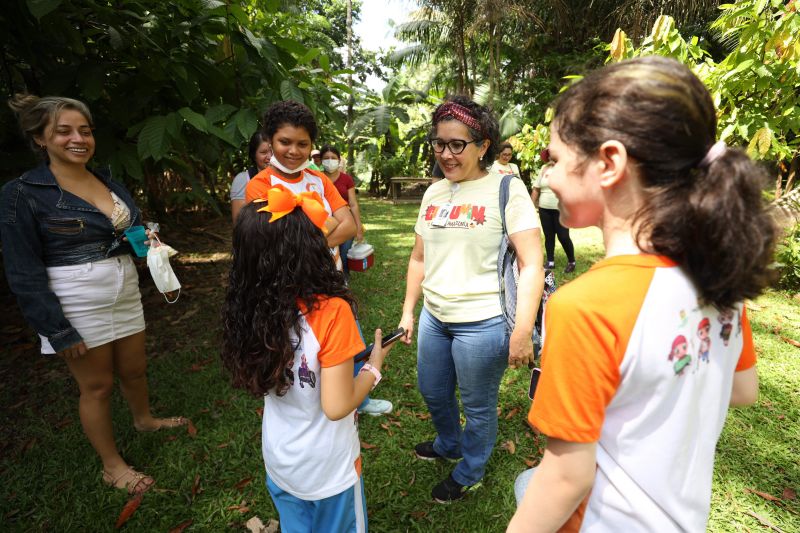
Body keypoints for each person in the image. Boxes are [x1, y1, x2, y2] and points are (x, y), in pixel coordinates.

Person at [507, 56, 774, 532]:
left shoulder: (585, 305)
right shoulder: (716, 281)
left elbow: (565, 477)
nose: (547, 177)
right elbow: (742, 389)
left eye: (554, 160)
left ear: (609, 162)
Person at [0, 95, 186, 496]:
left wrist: (147, 243)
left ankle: (144, 419)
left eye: (84, 130)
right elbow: (23, 269)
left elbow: (125, 233)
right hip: (75, 297)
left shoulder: (108, 181)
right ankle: (112, 465)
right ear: (39, 139)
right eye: (63, 131)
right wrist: (56, 329)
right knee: (97, 385)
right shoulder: (22, 192)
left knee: (135, 368)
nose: (78, 139)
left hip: (123, 286)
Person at [398, 96, 544, 502]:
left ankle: (470, 469)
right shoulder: (434, 194)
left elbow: (532, 264)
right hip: (434, 317)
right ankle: (448, 443)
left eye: (457, 144)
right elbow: (418, 257)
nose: (446, 153)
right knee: (432, 390)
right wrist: (409, 311)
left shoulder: (506, 189)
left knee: (478, 407)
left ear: (483, 146)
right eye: (439, 143)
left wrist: (522, 329)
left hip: (483, 322)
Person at [221, 192, 394, 533]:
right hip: (329, 470)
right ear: (307, 250)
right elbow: (336, 405)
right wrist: (373, 367)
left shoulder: (250, 307)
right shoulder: (332, 311)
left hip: (281, 461)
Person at [319, 144, 393, 417]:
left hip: (331, 277)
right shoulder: (262, 187)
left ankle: (359, 399)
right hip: (305, 283)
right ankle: (346, 395)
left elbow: (348, 220)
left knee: (351, 334)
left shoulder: (318, 183)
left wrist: (353, 227)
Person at [245, 100, 356, 271]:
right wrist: (330, 224)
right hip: (290, 286)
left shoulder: (320, 179)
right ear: (270, 141)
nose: (294, 151)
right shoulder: (260, 185)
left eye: (302, 144)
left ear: (311, 145)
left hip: (333, 279)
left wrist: (306, 242)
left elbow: (349, 227)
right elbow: (277, 244)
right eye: (285, 142)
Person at [319, 145, 364, 280]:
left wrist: (358, 226)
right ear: (321, 161)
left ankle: (344, 280)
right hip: (326, 224)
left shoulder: (346, 179)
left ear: (339, 160)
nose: (330, 160)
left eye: (333, 158)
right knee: (326, 254)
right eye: (326, 158)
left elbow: (353, 204)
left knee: (344, 254)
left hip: (345, 222)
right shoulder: (318, 178)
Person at [531, 161, 576, 273]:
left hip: (560, 209)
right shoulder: (544, 168)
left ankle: (572, 261)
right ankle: (550, 262)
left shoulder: (566, 168)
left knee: (563, 236)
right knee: (548, 236)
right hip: (544, 208)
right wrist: (531, 205)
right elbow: (536, 188)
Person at [231, 130, 272, 222]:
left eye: (273, 151)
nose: (270, 157)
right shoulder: (243, 179)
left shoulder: (288, 176)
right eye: (263, 152)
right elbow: (238, 222)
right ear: (254, 155)